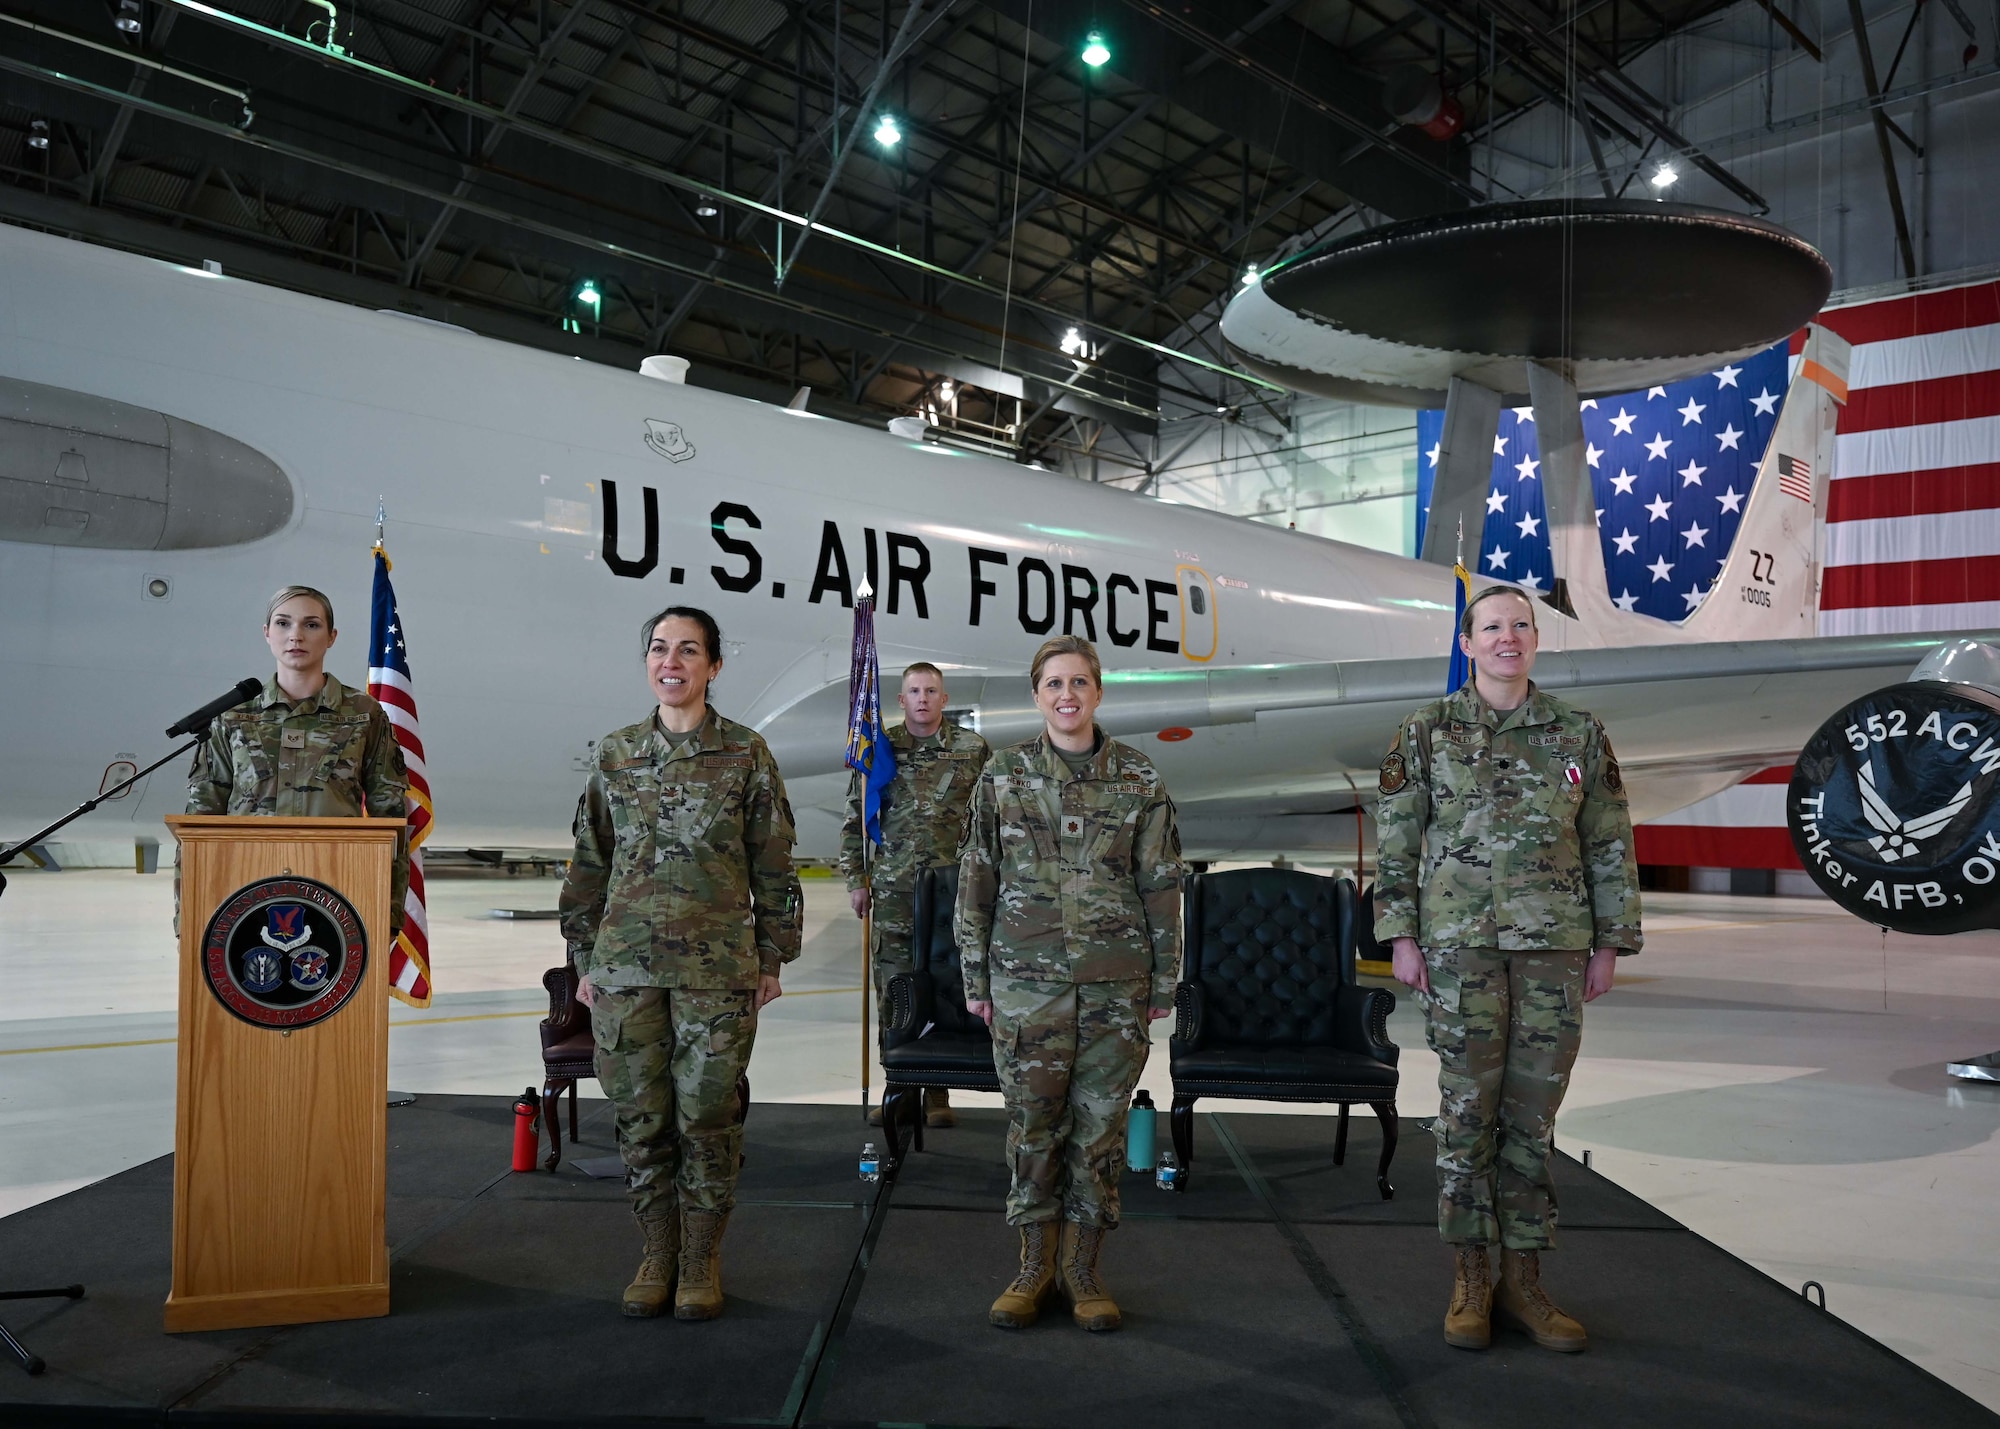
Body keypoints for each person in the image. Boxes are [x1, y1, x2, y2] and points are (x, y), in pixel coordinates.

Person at [1373, 584, 1641, 1355]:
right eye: (1491, 627)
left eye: (1520, 625)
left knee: (1532, 1118)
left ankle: (1523, 1280)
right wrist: (1401, 934)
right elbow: (1397, 840)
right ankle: (1469, 1276)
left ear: (1534, 639)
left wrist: (1609, 942)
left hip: (1556, 951)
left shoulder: (1577, 733)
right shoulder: (1425, 732)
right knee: (1465, 1116)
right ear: (1468, 642)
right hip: (1458, 951)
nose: (1507, 638)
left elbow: (1608, 841)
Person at [558, 606, 803, 1322]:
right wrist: (581, 952)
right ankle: (657, 1251)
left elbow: (775, 862)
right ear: (648, 664)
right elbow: (588, 863)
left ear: (714, 666)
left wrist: (771, 954)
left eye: (689, 650)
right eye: (660, 648)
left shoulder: (747, 754)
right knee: (640, 1119)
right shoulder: (616, 753)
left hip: (718, 971)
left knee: (708, 1116)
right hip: (625, 969)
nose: (673, 661)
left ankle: (700, 1256)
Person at [956, 635, 1184, 1333]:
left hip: (1116, 987)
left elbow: (1162, 885)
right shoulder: (1003, 775)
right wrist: (975, 974)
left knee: (1099, 1134)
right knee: (1032, 1129)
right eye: (1054, 683)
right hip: (1027, 989)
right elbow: (977, 880)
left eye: (1079, 682)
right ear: (1036, 694)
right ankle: (1032, 1267)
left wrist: (1164, 981)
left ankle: (1083, 1269)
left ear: (1097, 691)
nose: (1067, 694)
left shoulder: (1138, 778)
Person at [185, 585, 409, 929]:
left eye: (311, 625)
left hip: (339, 889)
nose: (296, 636)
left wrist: (389, 914)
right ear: (267, 633)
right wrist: (186, 915)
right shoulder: (234, 715)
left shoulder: (364, 713)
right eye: (283, 623)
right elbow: (199, 818)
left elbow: (390, 815)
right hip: (242, 887)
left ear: (331, 637)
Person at [840, 661, 990, 1130]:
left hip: (954, 895)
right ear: (901, 700)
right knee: (895, 989)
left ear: (944, 700)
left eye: (931, 691)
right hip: (894, 892)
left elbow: (991, 819)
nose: (922, 698)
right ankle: (900, 1087)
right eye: (913, 691)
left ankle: (938, 1091)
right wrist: (856, 878)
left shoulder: (972, 750)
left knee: (946, 987)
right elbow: (855, 815)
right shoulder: (879, 747)